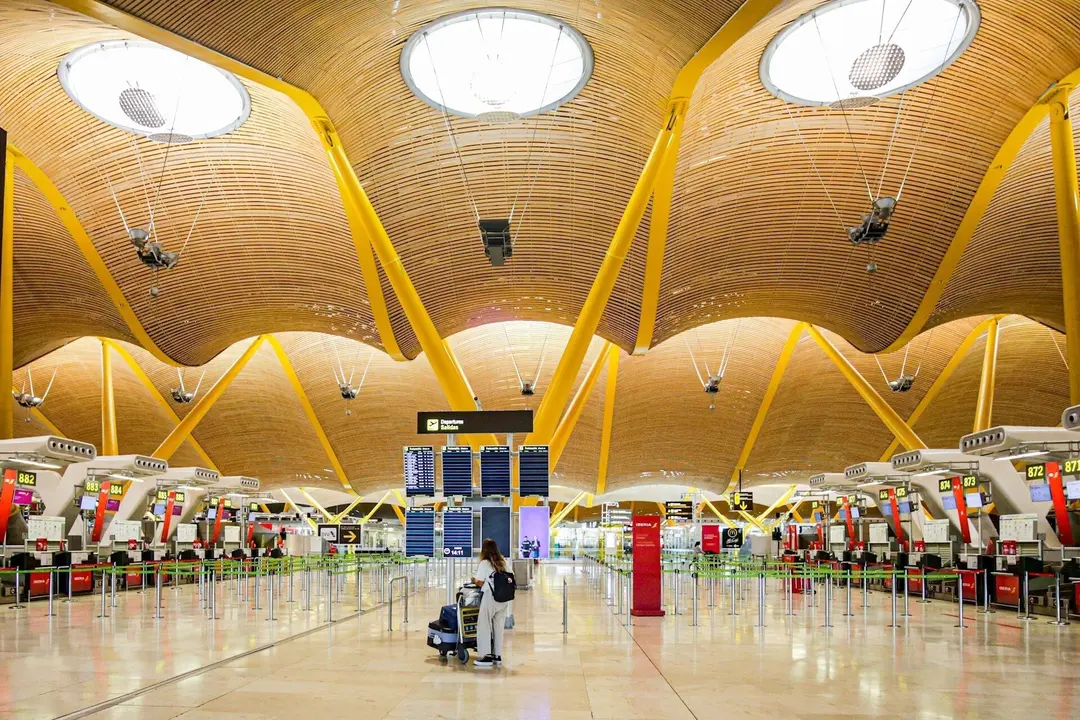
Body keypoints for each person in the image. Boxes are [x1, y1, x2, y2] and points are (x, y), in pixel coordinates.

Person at [471, 538, 510, 668]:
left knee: (484, 625)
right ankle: (497, 655)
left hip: (490, 597)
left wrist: (474, 580)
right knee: (498, 627)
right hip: (504, 598)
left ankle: (486, 656)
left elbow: (480, 582)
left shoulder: (485, 563)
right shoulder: (503, 561)